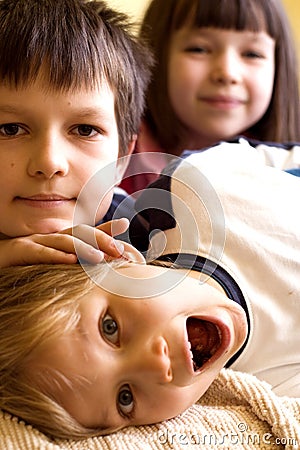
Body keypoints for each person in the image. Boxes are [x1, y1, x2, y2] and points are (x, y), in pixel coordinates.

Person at [0, 139, 299, 439]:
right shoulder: (278, 388)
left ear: (115, 257)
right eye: (125, 399)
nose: (157, 366)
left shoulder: (188, 189)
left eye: (109, 328)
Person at [0, 0, 152, 267]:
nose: (49, 163)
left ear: (122, 159)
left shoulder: (149, 234)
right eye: (10, 129)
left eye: (85, 130)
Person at [120, 0, 300, 194]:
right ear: (155, 53)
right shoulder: (111, 153)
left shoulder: (290, 168)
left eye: (252, 54)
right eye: (199, 49)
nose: (227, 73)